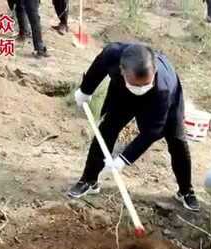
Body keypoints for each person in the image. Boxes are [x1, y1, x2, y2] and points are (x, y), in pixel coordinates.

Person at [69, 43, 200, 211]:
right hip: (123, 94)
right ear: (122, 70)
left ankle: (186, 190)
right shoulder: (113, 55)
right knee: (107, 129)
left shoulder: (163, 87)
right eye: (136, 85)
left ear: (154, 71)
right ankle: (89, 180)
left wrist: (124, 159)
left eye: (145, 84)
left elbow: (153, 131)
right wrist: (85, 90)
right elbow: (99, 66)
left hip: (162, 101)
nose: (141, 89)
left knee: (177, 140)